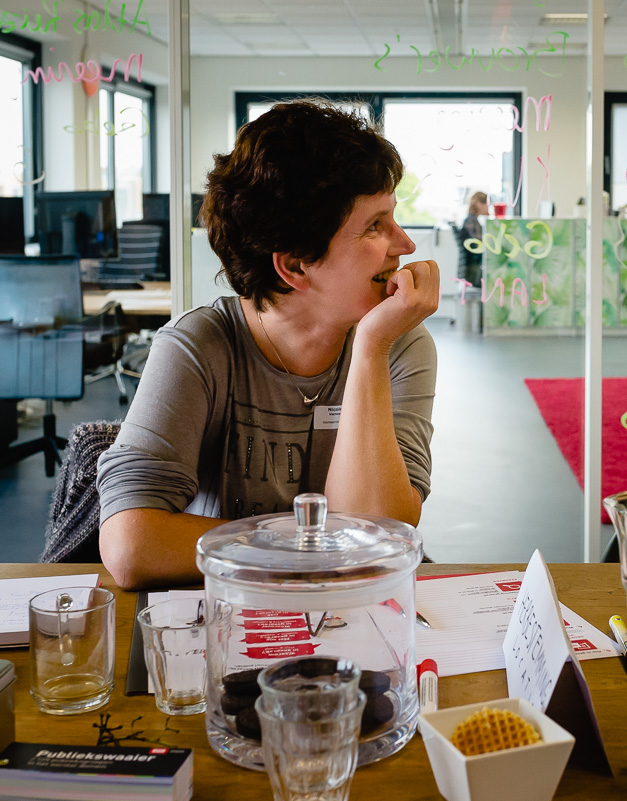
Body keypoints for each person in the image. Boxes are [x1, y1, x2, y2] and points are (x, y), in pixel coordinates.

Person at [96, 101, 439, 589]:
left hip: (353, 618)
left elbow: (381, 531)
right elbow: (132, 546)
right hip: (228, 616)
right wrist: (314, 550)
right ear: (296, 265)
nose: (404, 244)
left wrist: (369, 349)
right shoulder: (199, 347)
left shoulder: (398, 345)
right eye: (375, 225)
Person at [456, 191, 488, 288]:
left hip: (473, 266)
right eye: (487, 204)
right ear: (479, 204)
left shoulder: (473, 220)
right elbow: (479, 243)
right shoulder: (471, 221)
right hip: (474, 270)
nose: (488, 207)